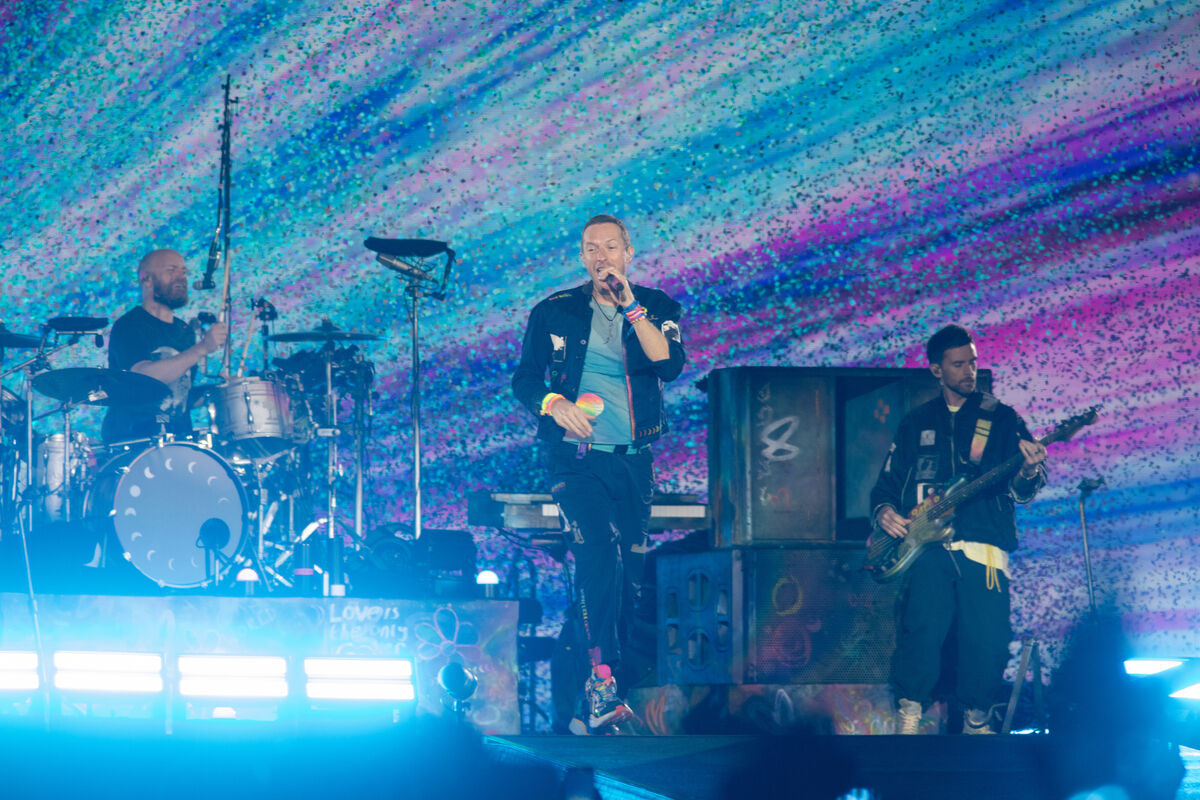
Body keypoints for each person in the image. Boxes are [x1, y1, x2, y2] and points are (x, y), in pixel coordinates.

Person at [512, 215, 686, 734]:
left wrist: (631, 306)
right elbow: (524, 378)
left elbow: (670, 365)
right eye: (592, 248)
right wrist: (552, 402)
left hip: (632, 459)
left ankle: (593, 691)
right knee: (596, 556)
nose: (602, 256)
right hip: (575, 459)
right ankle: (603, 682)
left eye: (611, 247)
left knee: (629, 580)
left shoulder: (658, 306)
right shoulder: (554, 311)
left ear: (628, 252)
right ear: (582, 257)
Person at [870, 324, 1047, 735]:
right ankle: (909, 714)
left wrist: (1031, 469)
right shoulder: (915, 422)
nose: (970, 370)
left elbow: (1023, 489)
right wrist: (883, 511)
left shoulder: (1002, 418)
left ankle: (978, 716)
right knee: (922, 631)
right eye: (959, 364)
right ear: (936, 370)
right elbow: (887, 484)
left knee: (985, 638)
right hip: (928, 546)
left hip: (983, 544)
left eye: (974, 361)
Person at [102, 249, 228, 444]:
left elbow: (179, 396)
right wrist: (202, 348)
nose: (182, 277)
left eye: (184, 272)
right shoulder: (130, 325)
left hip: (178, 439)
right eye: (172, 270)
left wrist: (220, 390)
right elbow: (143, 375)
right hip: (134, 440)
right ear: (147, 279)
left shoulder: (184, 331)